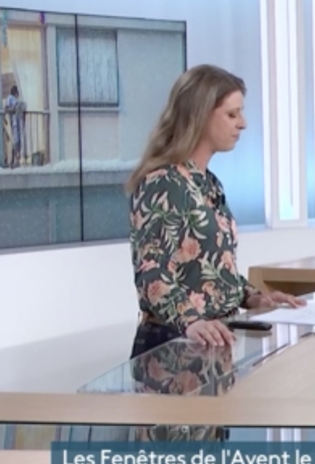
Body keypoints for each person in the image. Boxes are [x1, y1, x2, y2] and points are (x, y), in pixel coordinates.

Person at [126, 64, 305, 358]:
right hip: (173, 345)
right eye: (232, 115)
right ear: (200, 116)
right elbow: (152, 272)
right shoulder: (164, 184)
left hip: (212, 340)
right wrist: (190, 320)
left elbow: (212, 269)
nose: (243, 123)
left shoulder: (208, 183)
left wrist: (254, 297)